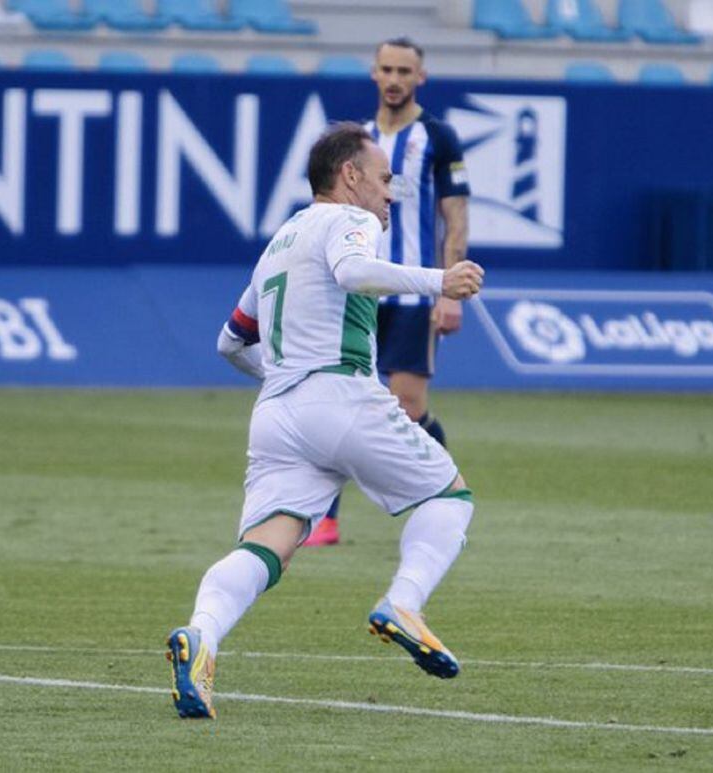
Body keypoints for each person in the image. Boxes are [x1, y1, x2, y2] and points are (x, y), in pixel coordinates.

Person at [165, 123, 485, 719]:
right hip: (340, 393)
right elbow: (352, 274)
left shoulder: (281, 240)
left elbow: (230, 342)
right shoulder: (350, 221)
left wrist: (287, 372)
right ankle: (403, 604)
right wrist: (440, 280)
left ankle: (201, 635)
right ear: (351, 175)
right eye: (385, 179)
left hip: (277, 413)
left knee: (269, 547)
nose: (391, 194)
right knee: (450, 495)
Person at [304, 36, 471, 547]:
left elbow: (455, 218)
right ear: (373, 74)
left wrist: (449, 292)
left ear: (421, 77)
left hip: (415, 295)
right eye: (387, 69)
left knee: (406, 408)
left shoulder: (438, 138)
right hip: (357, 292)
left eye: (405, 70)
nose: (395, 79)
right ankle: (324, 519)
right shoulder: (362, 144)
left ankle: (446, 485)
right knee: (332, 398)